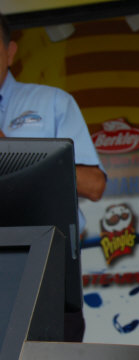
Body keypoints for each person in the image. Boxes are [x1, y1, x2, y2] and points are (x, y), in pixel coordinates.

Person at [0, 13, 106, 341]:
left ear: (10, 52)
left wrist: (9, 151)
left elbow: (94, 185)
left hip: (42, 274)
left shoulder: (52, 103)